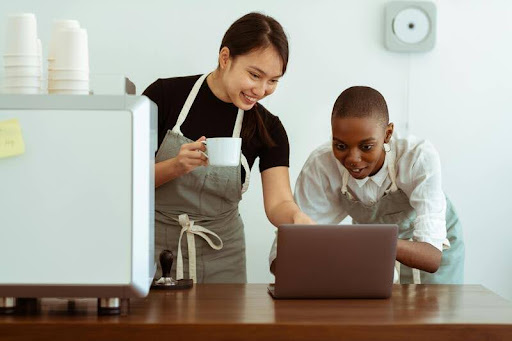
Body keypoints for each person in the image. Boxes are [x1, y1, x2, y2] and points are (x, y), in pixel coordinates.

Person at [143, 12, 313, 284]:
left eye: (273, 80)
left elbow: (279, 202)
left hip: (223, 256)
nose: (261, 89)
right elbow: (127, 183)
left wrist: (295, 217)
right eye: (254, 75)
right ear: (225, 58)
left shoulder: (269, 129)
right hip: (153, 252)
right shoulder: (163, 97)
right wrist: (175, 166)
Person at [271, 86, 464, 284]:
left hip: (433, 249)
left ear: (388, 134)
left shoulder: (417, 157)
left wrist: (362, 242)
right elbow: (286, 253)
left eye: (366, 147)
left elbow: (432, 258)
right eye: (340, 146)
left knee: (433, 313)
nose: (353, 159)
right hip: (375, 252)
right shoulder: (321, 166)